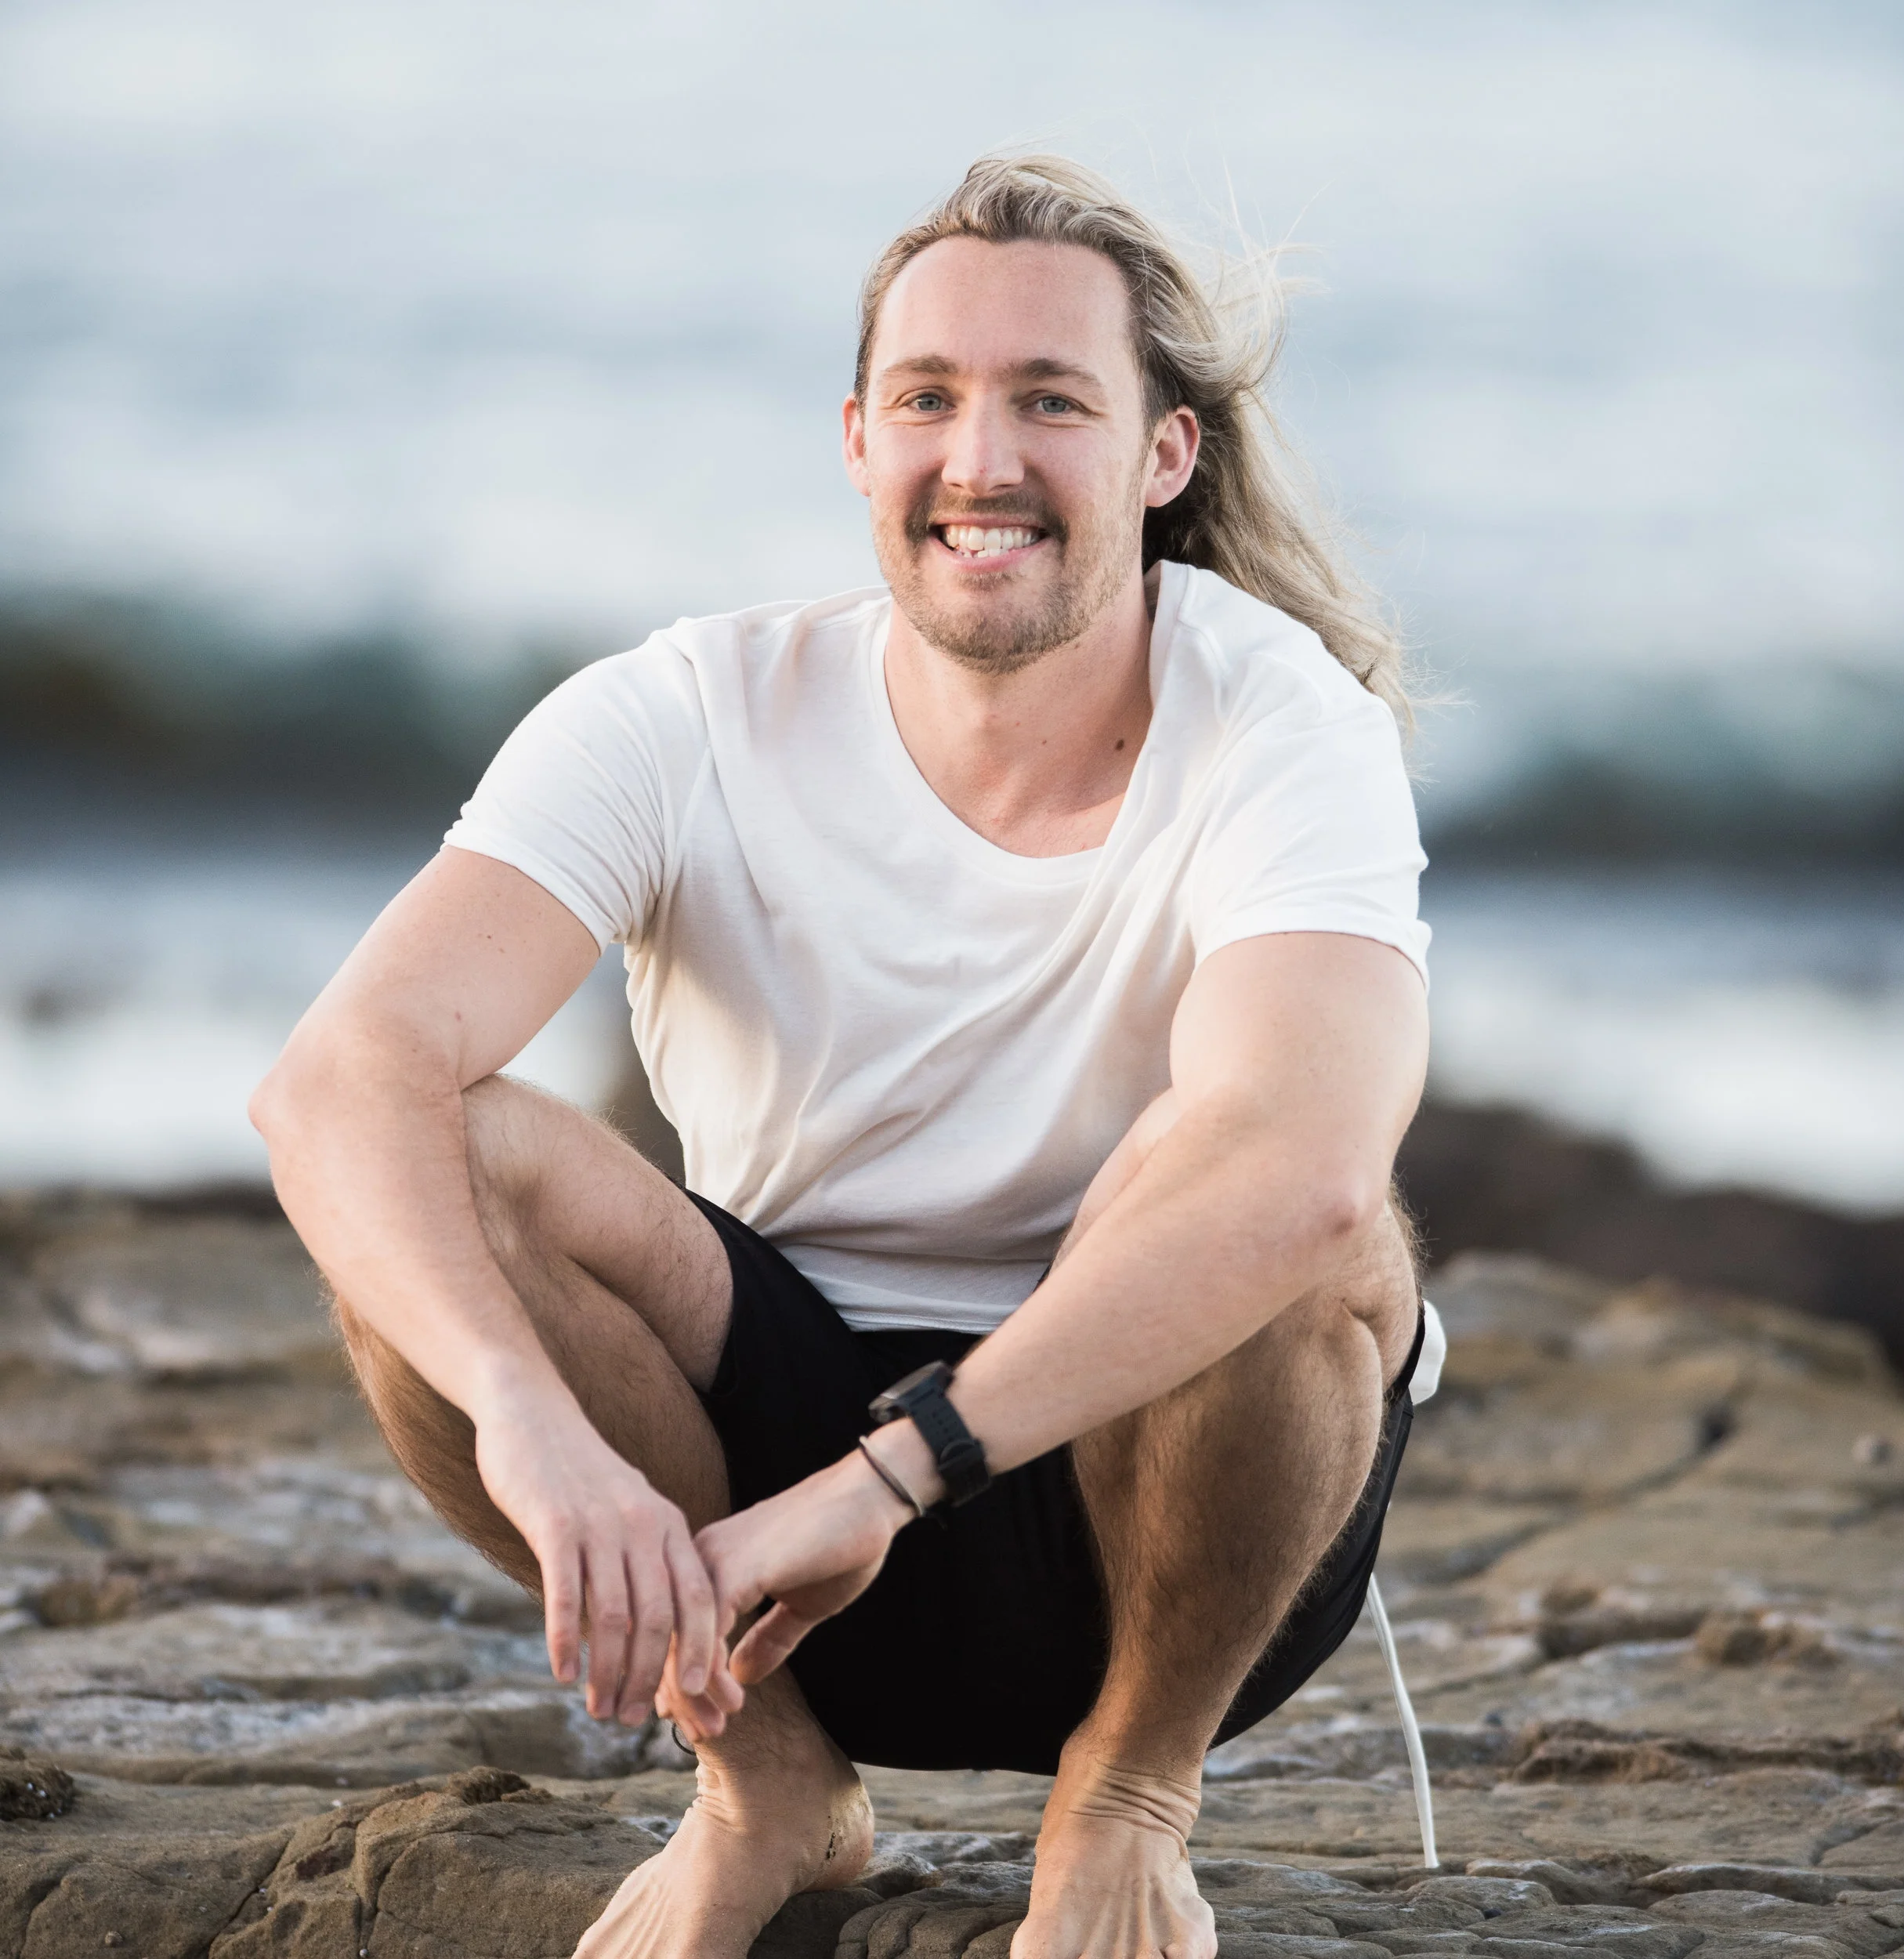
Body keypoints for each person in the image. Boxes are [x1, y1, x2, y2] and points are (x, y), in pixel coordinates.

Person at [252, 154, 1432, 1959]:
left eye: (1051, 401)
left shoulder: (1281, 720)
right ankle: (768, 1787)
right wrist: (523, 1418)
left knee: (1297, 1222)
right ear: (860, 441)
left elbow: (1310, 1176)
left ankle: (1124, 1797)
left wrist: (887, 1477)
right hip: (750, 1565)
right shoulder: (685, 710)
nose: (981, 458)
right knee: (445, 1162)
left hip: (1166, 1535)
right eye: (928, 398)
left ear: (1161, 454)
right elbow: (333, 1077)